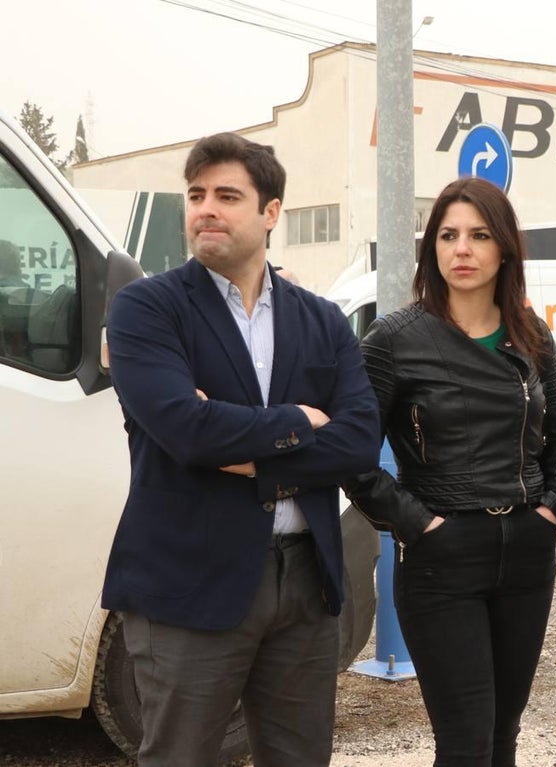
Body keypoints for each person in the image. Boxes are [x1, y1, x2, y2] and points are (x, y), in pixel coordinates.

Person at [102, 133, 381, 766]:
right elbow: (186, 429)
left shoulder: (322, 320)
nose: (206, 209)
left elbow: (360, 441)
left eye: (227, 196)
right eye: (196, 195)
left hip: (305, 582)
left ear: (271, 212)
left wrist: (248, 451)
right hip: (188, 580)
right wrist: (302, 421)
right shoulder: (146, 308)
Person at [343, 177, 556, 767]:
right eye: (448, 236)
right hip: (441, 556)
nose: (462, 249)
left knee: (503, 734)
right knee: (466, 741)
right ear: (432, 249)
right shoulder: (394, 339)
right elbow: (352, 455)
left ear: (504, 248)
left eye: (479, 235)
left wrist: (555, 508)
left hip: (526, 548)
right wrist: (419, 525)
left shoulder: (531, 334)